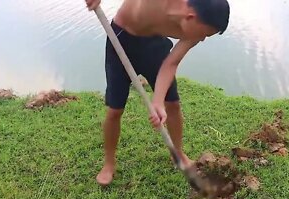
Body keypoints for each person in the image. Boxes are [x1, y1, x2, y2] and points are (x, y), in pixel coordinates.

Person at [85, 0, 230, 186]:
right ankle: (109, 163)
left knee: (172, 104)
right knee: (114, 110)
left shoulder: (194, 29)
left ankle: (177, 153)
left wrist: (158, 101)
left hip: (154, 46)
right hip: (120, 39)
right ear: (191, 17)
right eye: (204, 34)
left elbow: (171, 63)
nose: (202, 39)